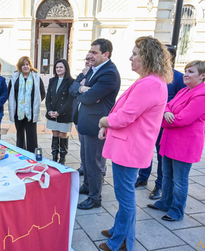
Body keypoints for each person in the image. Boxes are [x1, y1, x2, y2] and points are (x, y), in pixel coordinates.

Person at [98, 36, 172, 251]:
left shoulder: (150, 83)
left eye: (135, 54)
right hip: (130, 146)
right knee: (124, 194)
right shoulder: (151, 81)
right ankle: (118, 230)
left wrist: (104, 121)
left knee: (125, 196)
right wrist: (108, 124)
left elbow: (124, 117)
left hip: (129, 148)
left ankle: (122, 241)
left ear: (147, 57)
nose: (131, 58)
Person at [148, 60, 205, 222]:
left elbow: (182, 119)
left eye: (191, 72)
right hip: (170, 140)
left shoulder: (202, 94)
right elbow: (167, 105)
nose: (186, 74)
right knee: (167, 175)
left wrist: (163, 118)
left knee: (179, 180)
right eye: (186, 71)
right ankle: (165, 202)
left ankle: (176, 211)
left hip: (185, 144)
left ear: (202, 76)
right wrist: (166, 112)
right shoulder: (185, 91)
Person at [69, 38, 121, 210]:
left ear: (106, 54)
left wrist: (83, 91)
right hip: (85, 121)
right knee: (85, 160)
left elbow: (89, 97)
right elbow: (74, 88)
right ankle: (88, 186)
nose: (90, 55)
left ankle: (95, 198)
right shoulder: (93, 69)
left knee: (94, 162)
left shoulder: (109, 73)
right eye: (90, 51)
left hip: (95, 124)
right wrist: (82, 89)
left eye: (94, 52)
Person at [135, 44, 186, 200]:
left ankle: (159, 186)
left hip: (164, 125)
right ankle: (142, 177)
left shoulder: (178, 77)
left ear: (168, 57)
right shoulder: (150, 76)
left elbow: (181, 102)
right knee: (145, 151)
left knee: (161, 156)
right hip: (149, 123)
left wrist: (167, 111)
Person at [8, 56, 45, 153]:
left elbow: (42, 93)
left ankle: (32, 154)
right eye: (23, 65)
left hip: (31, 112)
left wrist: (34, 103)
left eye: (27, 64)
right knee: (20, 134)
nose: (25, 66)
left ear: (30, 66)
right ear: (20, 67)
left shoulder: (36, 77)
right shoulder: (15, 77)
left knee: (31, 135)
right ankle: (20, 153)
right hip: (18, 112)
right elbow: (10, 92)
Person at [45, 59, 74, 164]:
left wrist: (59, 112)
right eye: (57, 67)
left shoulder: (71, 81)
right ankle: (54, 157)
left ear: (66, 68)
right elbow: (48, 98)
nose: (58, 69)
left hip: (64, 114)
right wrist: (49, 111)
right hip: (52, 114)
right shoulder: (52, 80)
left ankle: (62, 159)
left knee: (63, 135)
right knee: (55, 134)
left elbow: (70, 100)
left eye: (61, 67)